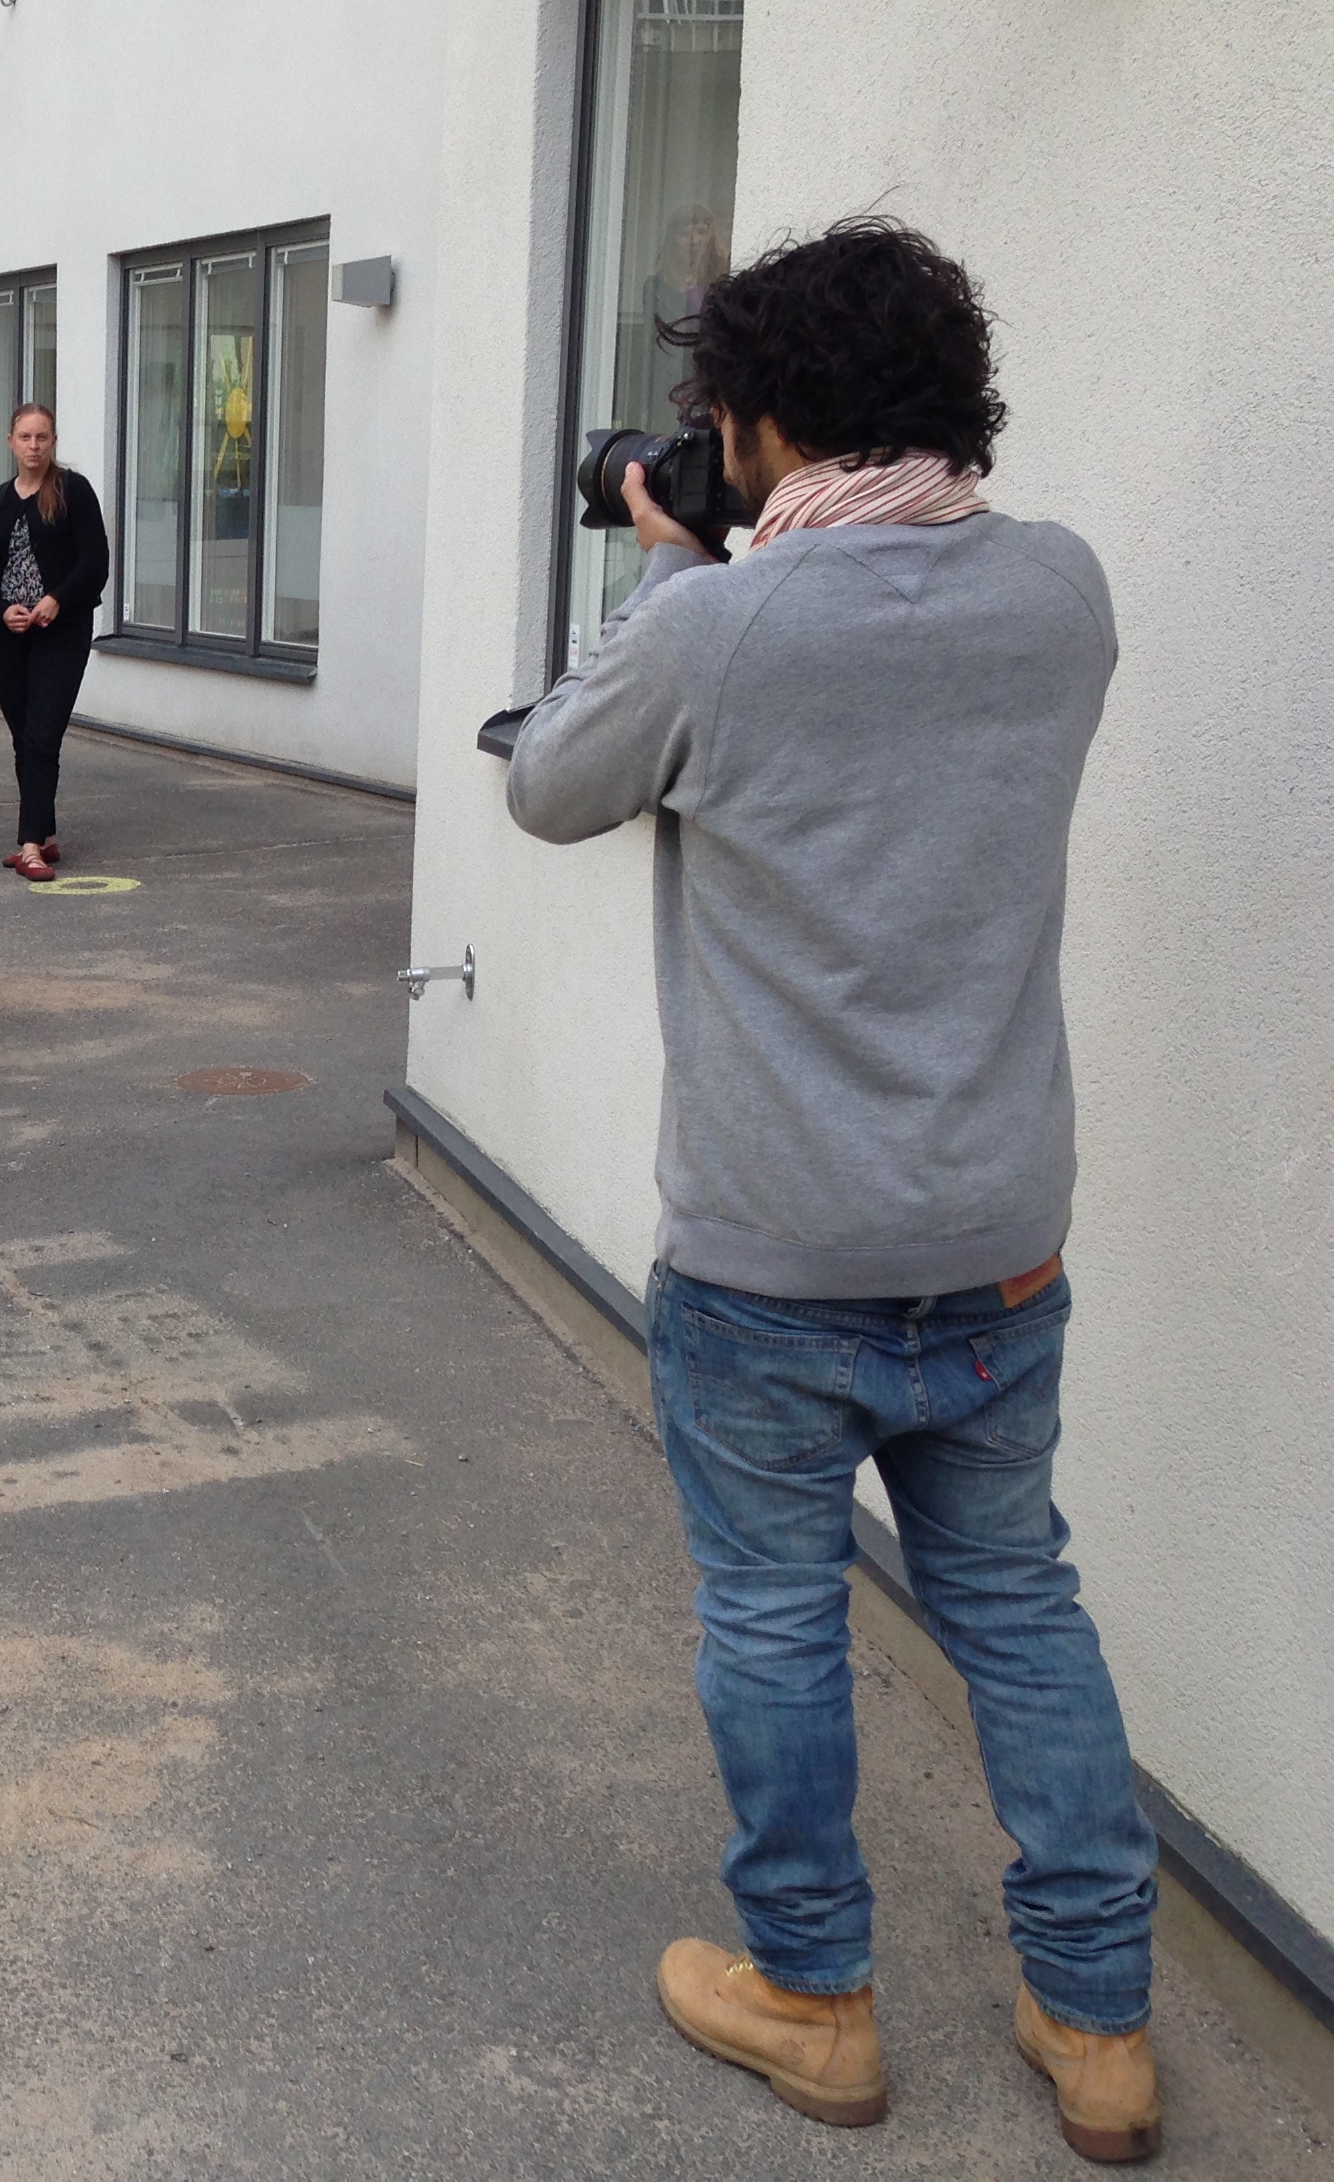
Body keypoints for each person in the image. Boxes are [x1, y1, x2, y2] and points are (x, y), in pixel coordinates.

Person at [506, 217, 1158, 2163]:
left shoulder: (715, 625)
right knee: (1023, 1613)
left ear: (762, 416)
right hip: (997, 1235)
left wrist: (670, 581)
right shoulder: (1061, 591)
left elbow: (549, 783)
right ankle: (1101, 2026)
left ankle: (817, 2003)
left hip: (776, 1250)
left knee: (777, 1617)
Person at [0, 403, 108, 879]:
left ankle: (28, 845)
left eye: (42, 438)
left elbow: (95, 562)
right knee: (22, 733)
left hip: (60, 632)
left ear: (54, 442)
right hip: (8, 634)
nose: (34, 446)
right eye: (25, 438)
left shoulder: (74, 491)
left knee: (43, 732)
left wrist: (57, 601)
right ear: (11, 441)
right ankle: (44, 833)